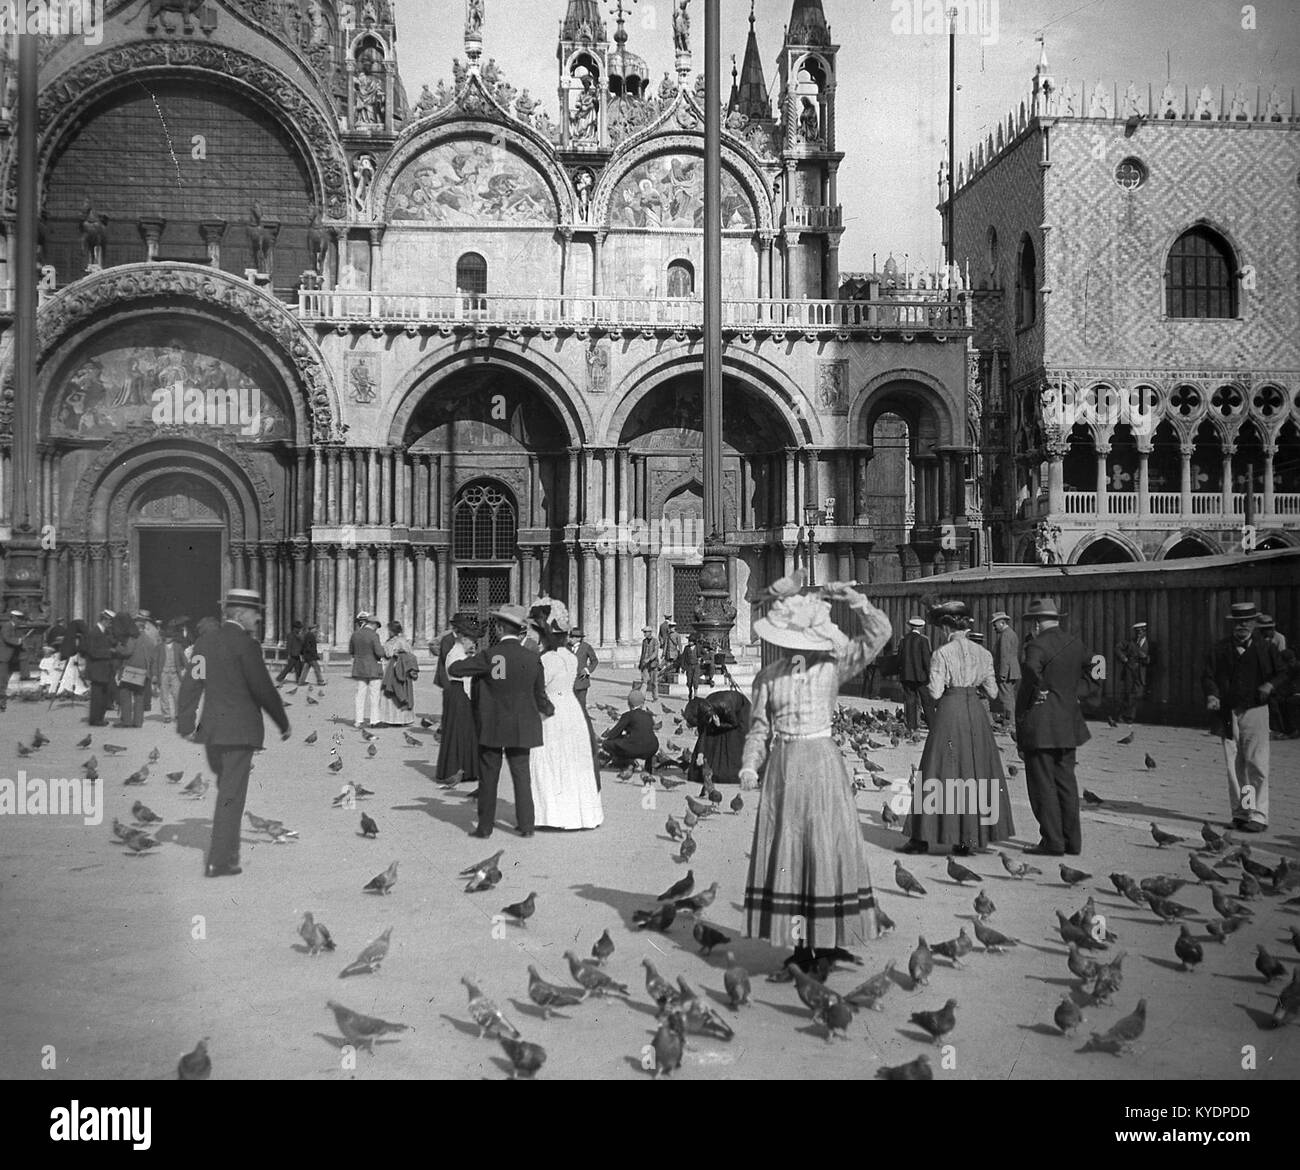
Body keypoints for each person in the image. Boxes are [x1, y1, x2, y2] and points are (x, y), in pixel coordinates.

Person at [739, 577, 891, 973]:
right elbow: (758, 728)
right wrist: (749, 764)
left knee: (825, 847)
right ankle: (804, 946)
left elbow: (881, 634)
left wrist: (856, 600)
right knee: (793, 851)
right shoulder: (768, 677)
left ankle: (827, 942)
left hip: (820, 763)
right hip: (785, 766)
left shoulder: (832, 668)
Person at [177, 589, 290, 877]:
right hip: (240, 733)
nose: (259, 617)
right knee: (231, 796)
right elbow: (262, 688)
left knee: (227, 791)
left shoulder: (204, 642)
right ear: (240, 614)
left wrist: (186, 724)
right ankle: (219, 860)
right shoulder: (246, 646)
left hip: (212, 732)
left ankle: (228, 853)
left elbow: (191, 684)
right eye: (255, 612)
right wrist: (282, 722)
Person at [899, 601, 1014, 856]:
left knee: (939, 770)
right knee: (975, 770)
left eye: (941, 627)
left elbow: (936, 691)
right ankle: (968, 838)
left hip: (951, 711)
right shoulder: (983, 654)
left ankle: (922, 838)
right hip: (975, 711)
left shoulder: (942, 653)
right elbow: (993, 691)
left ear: (947, 627)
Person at [449, 603, 554, 839]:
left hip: (493, 725)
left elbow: (457, 669)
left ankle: (485, 827)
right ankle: (526, 826)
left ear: (498, 629)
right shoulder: (532, 657)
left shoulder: (490, 656)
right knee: (522, 777)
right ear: (519, 631)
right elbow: (540, 695)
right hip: (522, 726)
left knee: (489, 778)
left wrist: (466, 656)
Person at [1015, 597, 1094, 857]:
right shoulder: (1076, 643)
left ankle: (1053, 841)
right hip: (1069, 724)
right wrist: (1076, 692)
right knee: (1066, 783)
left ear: (1037, 623)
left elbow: (1029, 675)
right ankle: (1073, 842)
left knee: (1043, 785)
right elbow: (1097, 671)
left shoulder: (1036, 646)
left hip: (1041, 725)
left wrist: (1037, 694)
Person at [1202, 601, 1286, 833]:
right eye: (1238, 622)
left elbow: (1283, 672)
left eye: (1247, 622)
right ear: (1232, 624)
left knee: (1257, 763)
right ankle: (1242, 812)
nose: (1242, 626)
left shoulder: (1266, 648)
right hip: (1228, 713)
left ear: (1254, 624)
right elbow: (1207, 676)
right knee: (1235, 765)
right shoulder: (1219, 649)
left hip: (1255, 710)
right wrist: (1212, 695)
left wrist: (1270, 684)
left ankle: (1259, 815)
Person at [528, 604, 603, 830]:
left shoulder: (545, 659)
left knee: (550, 758)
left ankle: (551, 816)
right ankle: (580, 815)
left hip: (551, 711)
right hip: (571, 709)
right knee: (574, 759)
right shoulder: (569, 657)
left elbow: (538, 690)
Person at [435, 617, 482, 789]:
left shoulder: (458, 651)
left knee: (461, 730)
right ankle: (458, 768)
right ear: (463, 638)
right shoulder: (457, 653)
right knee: (460, 730)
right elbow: (465, 678)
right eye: (471, 640)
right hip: (459, 692)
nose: (472, 643)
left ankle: (461, 768)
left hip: (455, 692)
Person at [684, 688, 751, 787]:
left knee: (734, 738)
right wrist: (700, 754)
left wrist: (719, 725)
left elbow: (734, 723)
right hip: (721, 712)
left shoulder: (725, 706)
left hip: (741, 713)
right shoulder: (703, 708)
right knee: (711, 732)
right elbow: (703, 732)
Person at [601, 689, 659, 774]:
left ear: (629, 704)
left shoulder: (628, 715)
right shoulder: (648, 715)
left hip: (635, 749)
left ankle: (627, 762)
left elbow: (613, 734)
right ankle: (648, 767)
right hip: (652, 748)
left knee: (607, 743)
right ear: (642, 704)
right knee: (646, 739)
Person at [84, 610, 126, 726]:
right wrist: (109, 651)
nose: (111, 624)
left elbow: (111, 642)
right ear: (104, 620)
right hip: (97, 669)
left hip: (104, 670)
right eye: (110, 622)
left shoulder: (104, 632)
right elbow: (92, 652)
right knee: (97, 696)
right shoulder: (94, 632)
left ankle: (99, 718)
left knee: (104, 695)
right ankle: (95, 720)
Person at [118, 611, 158, 728]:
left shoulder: (132, 638)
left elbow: (128, 651)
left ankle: (126, 721)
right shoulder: (150, 640)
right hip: (143, 671)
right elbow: (152, 657)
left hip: (130, 669)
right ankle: (138, 722)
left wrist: (118, 647)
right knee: (139, 696)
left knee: (125, 694)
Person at [377, 620, 418, 727]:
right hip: (388, 668)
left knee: (398, 692)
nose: (388, 632)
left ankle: (402, 719)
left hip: (399, 670)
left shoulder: (402, 641)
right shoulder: (390, 641)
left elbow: (410, 656)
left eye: (389, 630)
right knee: (389, 693)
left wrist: (399, 655)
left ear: (393, 630)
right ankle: (390, 719)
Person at [349, 612, 386, 728]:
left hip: (359, 667)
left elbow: (351, 651)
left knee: (360, 694)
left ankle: (358, 720)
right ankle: (374, 720)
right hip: (373, 668)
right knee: (374, 695)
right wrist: (384, 652)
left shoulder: (355, 634)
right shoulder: (374, 635)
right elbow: (379, 652)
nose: (377, 629)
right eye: (377, 626)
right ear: (374, 624)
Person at [899, 616, 935, 732]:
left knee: (910, 701)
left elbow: (899, 658)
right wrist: (930, 674)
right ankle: (932, 726)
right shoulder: (923, 640)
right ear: (921, 627)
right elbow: (926, 660)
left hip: (907, 676)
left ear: (910, 626)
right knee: (927, 701)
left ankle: (911, 727)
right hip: (921, 677)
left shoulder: (903, 640)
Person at [1116, 620, 1154, 724]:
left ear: (1145, 631)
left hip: (1141, 672)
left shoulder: (1149, 644)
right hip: (1129, 670)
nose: (1138, 634)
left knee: (1136, 694)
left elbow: (1153, 659)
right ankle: (1126, 717)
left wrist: (1145, 657)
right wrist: (1123, 657)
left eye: (1140, 632)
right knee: (1128, 693)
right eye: (1137, 632)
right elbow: (1118, 648)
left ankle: (1127, 716)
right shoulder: (1129, 642)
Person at [151, 622, 187, 723]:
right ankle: (166, 715)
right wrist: (154, 674)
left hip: (175, 673)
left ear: (172, 637)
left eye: (169, 636)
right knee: (164, 695)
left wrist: (186, 668)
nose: (167, 638)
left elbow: (183, 659)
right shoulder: (159, 647)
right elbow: (155, 661)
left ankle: (178, 714)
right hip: (163, 673)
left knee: (177, 694)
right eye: (166, 636)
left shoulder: (178, 647)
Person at [990, 611, 1020, 730]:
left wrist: (1002, 673)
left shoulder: (1005, 636)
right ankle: (1010, 721)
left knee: (1005, 698)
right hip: (1012, 671)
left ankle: (1009, 723)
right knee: (1009, 697)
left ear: (1002, 623)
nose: (994, 628)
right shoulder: (1010, 633)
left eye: (995, 625)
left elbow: (1004, 656)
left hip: (1006, 672)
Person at [1, 609, 24, 710]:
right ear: (13, 618)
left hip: (7, 657)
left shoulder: (13, 627)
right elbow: (6, 638)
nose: (20, 621)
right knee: (2, 679)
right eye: (19, 618)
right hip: (3, 657)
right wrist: (18, 641)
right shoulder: (7, 625)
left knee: (4, 679)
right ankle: (2, 702)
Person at [570, 627, 597, 710]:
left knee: (581, 705)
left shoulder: (586, 647)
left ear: (578, 638)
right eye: (570, 636)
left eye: (572, 637)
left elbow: (595, 661)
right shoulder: (566, 647)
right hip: (569, 682)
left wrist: (587, 670)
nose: (570, 639)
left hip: (582, 681)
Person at [276, 621, 306, 685]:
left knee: (298, 668)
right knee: (289, 668)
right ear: (295, 628)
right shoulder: (290, 635)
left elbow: (301, 644)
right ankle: (279, 678)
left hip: (297, 654)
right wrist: (288, 655)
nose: (300, 629)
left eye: (300, 628)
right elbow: (288, 646)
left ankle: (299, 680)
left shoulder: (298, 636)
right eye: (299, 628)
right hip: (292, 655)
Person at [637, 626, 660, 697]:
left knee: (654, 682)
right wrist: (640, 663)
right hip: (645, 664)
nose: (644, 634)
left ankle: (655, 696)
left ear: (650, 632)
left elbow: (655, 653)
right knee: (644, 681)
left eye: (645, 632)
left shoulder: (655, 641)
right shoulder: (644, 641)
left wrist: (649, 659)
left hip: (653, 664)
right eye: (644, 632)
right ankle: (642, 697)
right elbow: (643, 653)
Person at [678, 634, 701, 701]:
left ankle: (696, 694)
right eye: (689, 641)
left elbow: (703, 654)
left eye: (691, 641)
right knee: (689, 681)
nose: (689, 642)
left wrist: (700, 659)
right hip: (689, 666)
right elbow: (683, 658)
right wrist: (683, 667)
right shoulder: (686, 648)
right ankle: (690, 691)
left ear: (694, 642)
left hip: (696, 666)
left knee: (695, 680)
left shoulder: (698, 647)